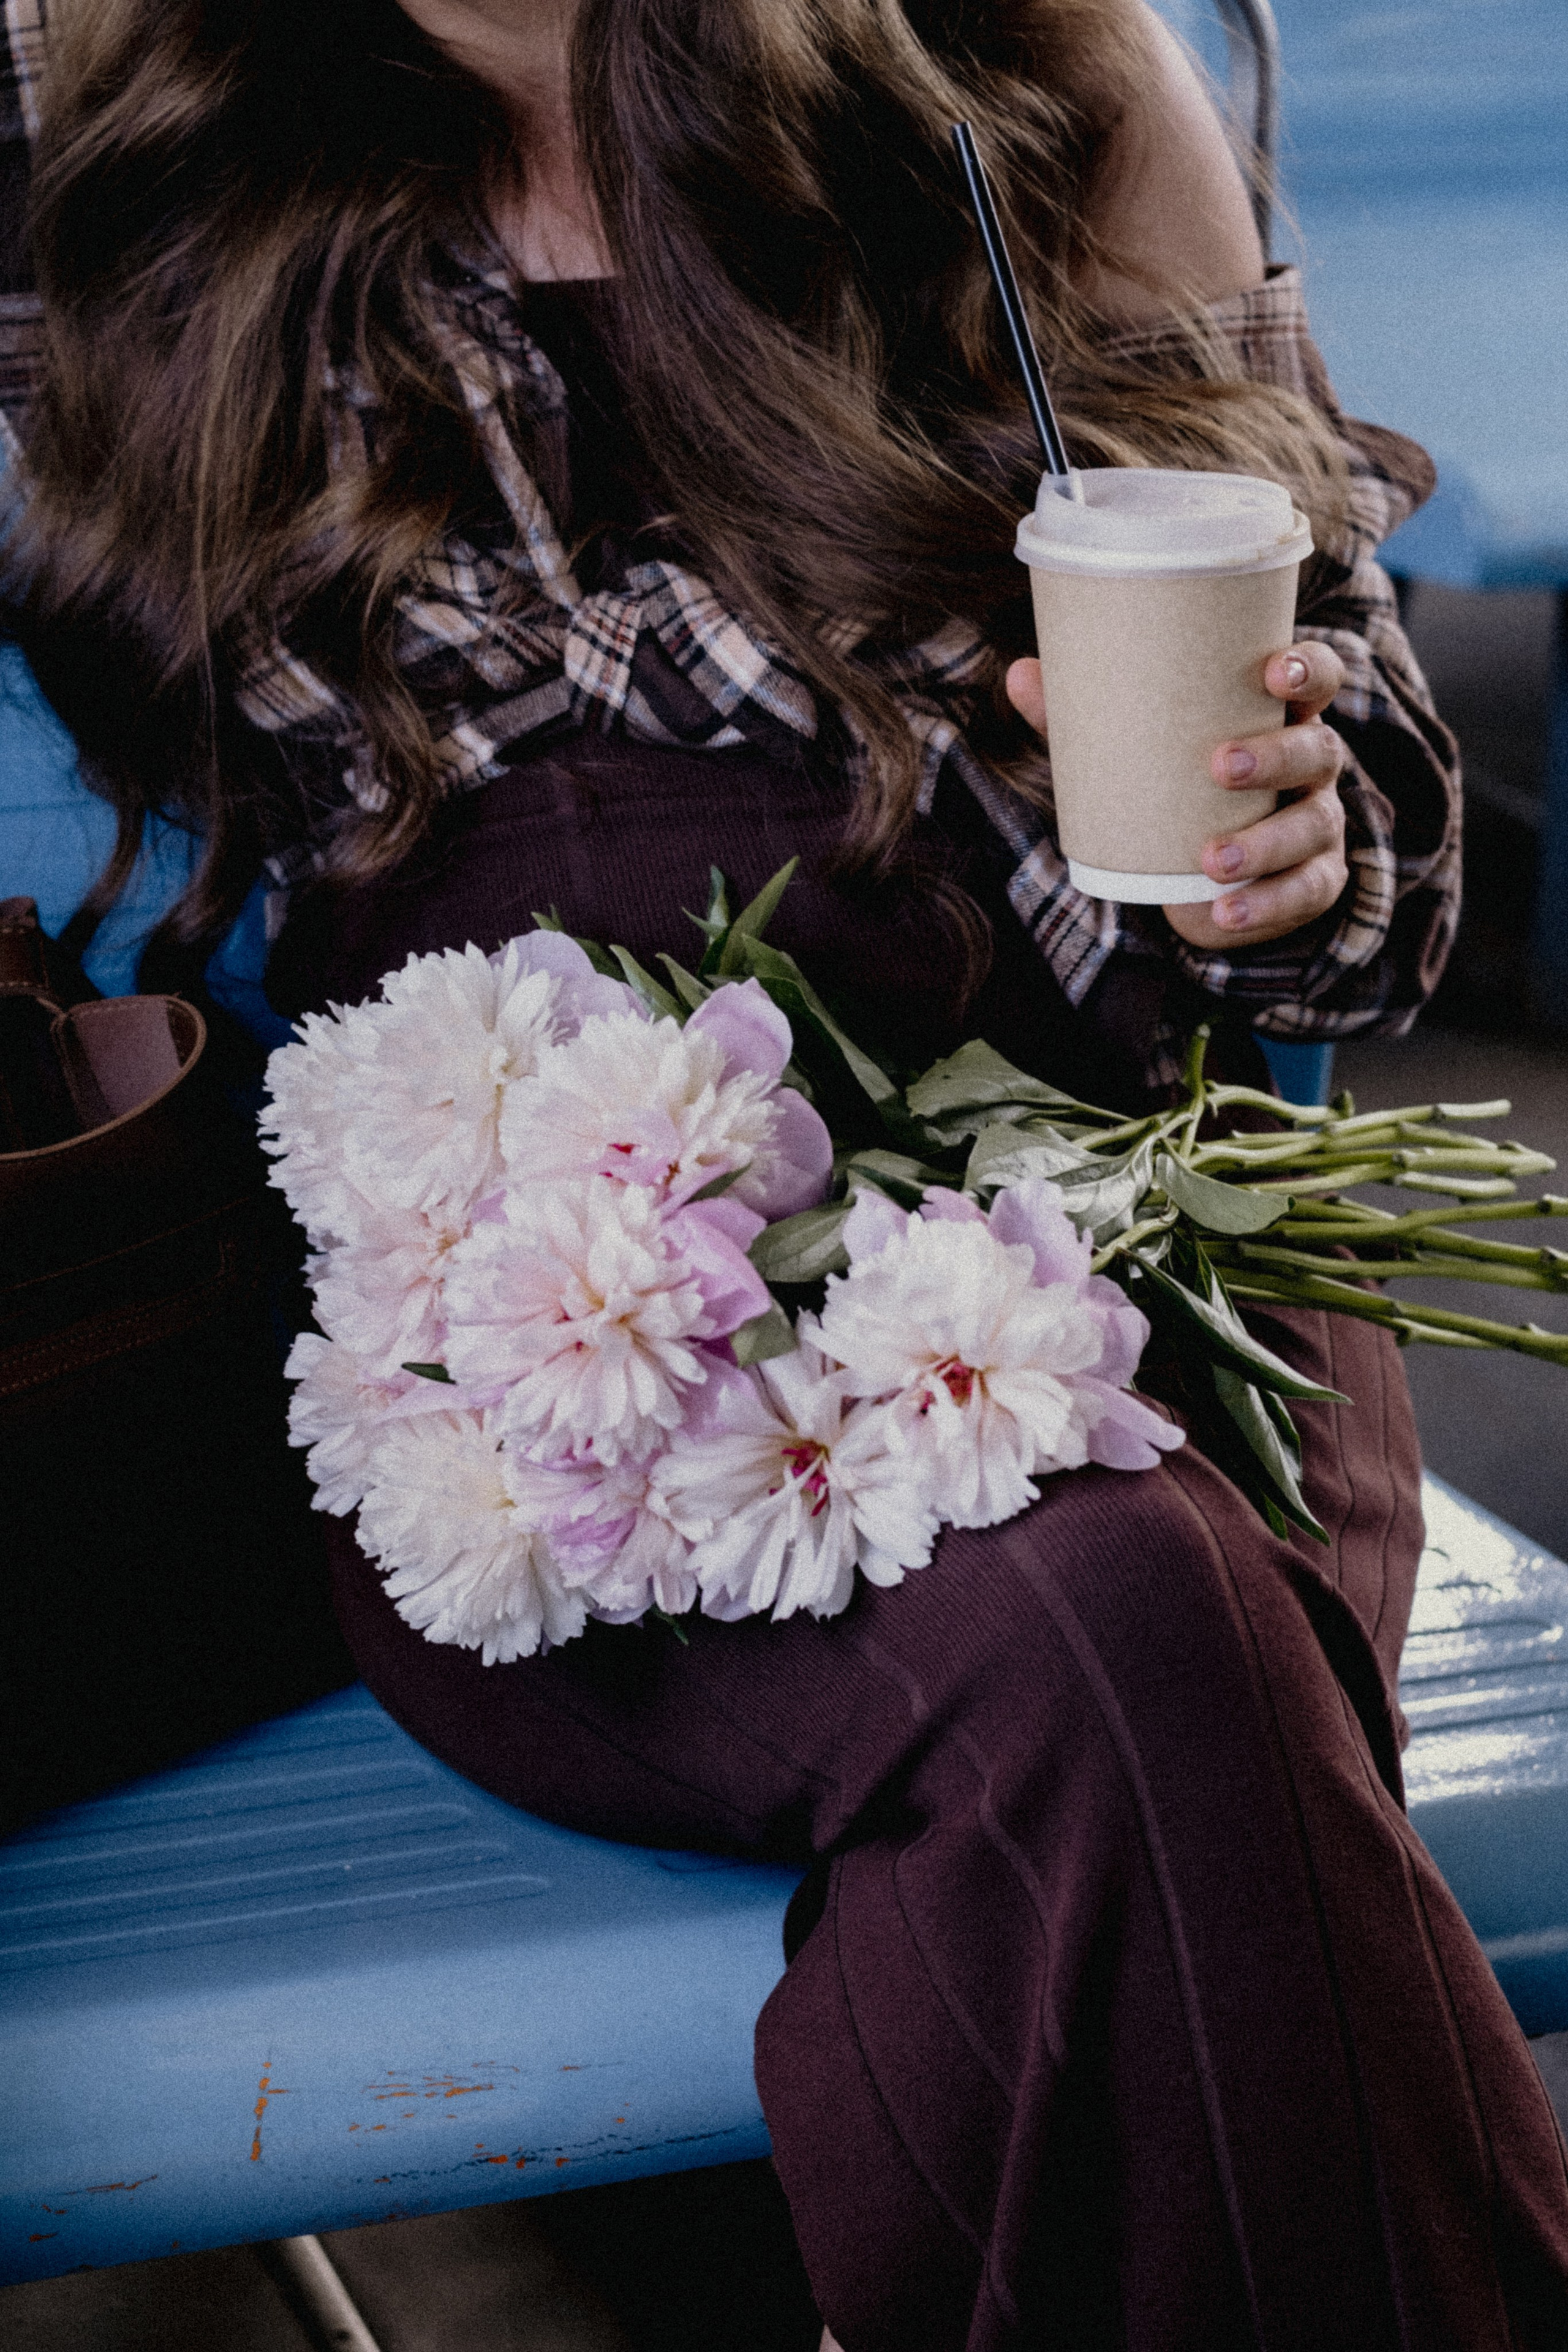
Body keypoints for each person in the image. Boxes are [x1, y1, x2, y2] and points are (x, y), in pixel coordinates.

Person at [6, 1, 1566, 2343]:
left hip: (1131, 1239)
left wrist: (1293, 848)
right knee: (1125, 1639)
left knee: (1135, 1627)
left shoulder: (1035, 75)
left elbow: (1356, 788)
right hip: (560, 1352)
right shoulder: (129, 102)